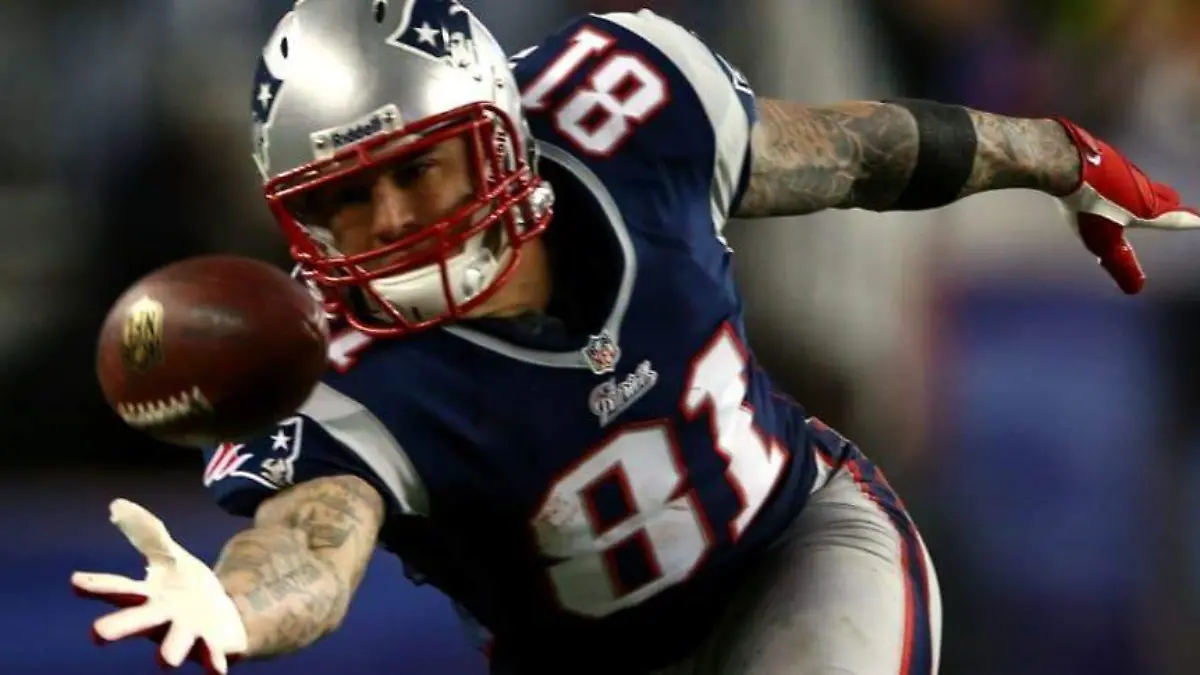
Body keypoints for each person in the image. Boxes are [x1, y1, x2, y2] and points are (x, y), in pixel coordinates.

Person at [71, 1, 1199, 674]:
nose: (395, 220)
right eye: (346, 199)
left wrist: (1059, 154)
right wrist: (236, 606)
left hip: (799, 550)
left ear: (501, 131)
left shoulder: (627, 115)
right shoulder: (335, 374)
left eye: (420, 168)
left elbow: (861, 153)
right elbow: (312, 544)